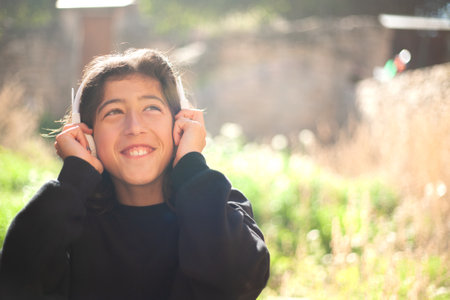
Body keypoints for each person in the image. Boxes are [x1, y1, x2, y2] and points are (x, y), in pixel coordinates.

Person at [0, 48, 270, 300]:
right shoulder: (67, 219)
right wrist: (72, 180)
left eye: (151, 108)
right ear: (87, 135)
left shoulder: (218, 208)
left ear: (180, 124)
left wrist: (191, 166)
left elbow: (238, 284)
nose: (134, 127)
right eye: (114, 112)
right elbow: (15, 282)